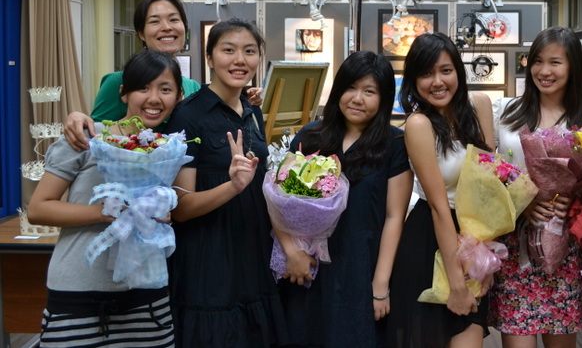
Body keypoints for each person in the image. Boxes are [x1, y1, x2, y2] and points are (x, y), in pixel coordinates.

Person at [27, 50, 184, 347]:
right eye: (143, 88)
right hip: (79, 292)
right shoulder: (86, 138)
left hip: (147, 296)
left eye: (165, 89)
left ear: (178, 97)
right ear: (124, 93)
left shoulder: (170, 149)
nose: (154, 98)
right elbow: (39, 209)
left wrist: (164, 213)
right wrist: (107, 212)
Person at [164, 18, 287, 347]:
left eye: (249, 51)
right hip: (209, 256)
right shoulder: (188, 116)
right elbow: (181, 208)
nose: (240, 60)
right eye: (228, 50)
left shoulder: (251, 110)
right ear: (209, 57)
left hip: (252, 248)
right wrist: (232, 186)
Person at [279, 50, 412, 347]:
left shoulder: (394, 144)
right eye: (350, 88)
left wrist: (380, 285)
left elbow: (394, 217)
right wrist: (292, 253)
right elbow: (279, 201)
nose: (357, 98)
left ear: (384, 98)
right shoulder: (310, 136)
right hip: (309, 268)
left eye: (369, 91)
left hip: (362, 268)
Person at [385, 32, 495, 348]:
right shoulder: (419, 124)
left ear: (458, 71)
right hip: (430, 243)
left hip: (475, 237)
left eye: (445, 70)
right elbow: (437, 206)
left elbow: (491, 185)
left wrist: (485, 255)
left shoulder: (480, 105)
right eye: (426, 73)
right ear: (413, 80)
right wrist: (457, 283)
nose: (437, 82)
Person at [489, 26, 582, 348]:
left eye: (555, 62)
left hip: (562, 247)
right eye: (537, 61)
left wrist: (572, 204)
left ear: (573, 67)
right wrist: (523, 201)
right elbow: (488, 171)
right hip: (514, 246)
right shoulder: (505, 113)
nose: (544, 71)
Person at [63, 0, 261, 150]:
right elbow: (95, 136)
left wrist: (242, 99)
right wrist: (77, 119)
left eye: (174, 20)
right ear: (141, 34)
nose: (166, 27)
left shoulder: (191, 86)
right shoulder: (119, 81)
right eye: (155, 21)